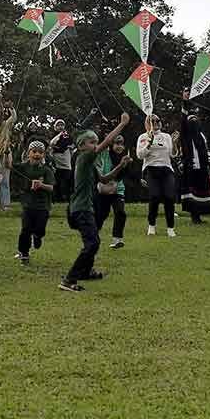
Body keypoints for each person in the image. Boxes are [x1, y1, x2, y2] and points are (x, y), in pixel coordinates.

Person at [59, 114, 130, 292]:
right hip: (80, 208)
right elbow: (106, 143)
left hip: (86, 208)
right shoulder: (83, 158)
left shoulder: (91, 164)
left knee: (93, 241)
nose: (95, 145)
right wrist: (122, 124)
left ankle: (85, 272)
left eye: (95, 141)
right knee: (92, 243)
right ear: (81, 146)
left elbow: (104, 179)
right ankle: (69, 279)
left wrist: (120, 166)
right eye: (91, 142)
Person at [136, 114, 178, 238]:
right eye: (153, 121)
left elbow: (173, 154)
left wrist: (174, 143)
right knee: (155, 196)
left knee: (169, 197)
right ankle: (152, 225)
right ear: (147, 123)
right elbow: (140, 155)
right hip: (151, 168)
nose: (156, 123)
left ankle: (170, 228)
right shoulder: (143, 137)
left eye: (158, 121)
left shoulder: (166, 136)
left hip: (166, 168)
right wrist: (149, 143)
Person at [14, 141, 55, 264]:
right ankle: (24, 253)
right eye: (34, 151)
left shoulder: (46, 170)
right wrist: (5, 152)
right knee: (25, 229)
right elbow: (8, 165)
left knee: (40, 229)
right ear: (28, 153)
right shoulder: (24, 166)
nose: (37, 154)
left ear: (44, 155)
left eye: (40, 152)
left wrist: (41, 185)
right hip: (28, 205)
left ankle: (37, 236)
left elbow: (51, 187)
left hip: (43, 206)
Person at [179, 93, 210, 224]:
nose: (193, 121)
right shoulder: (185, 135)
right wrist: (185, 102)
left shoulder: (202, 136)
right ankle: (194, 216)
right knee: (191, 192)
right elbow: (183, 120)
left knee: (201, 191)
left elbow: (207, 151)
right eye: (191, 120)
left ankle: (199, 216)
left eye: (195, 119)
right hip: (190, 166)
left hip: (202, 168)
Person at [95, 136, 132, 249]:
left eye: (121, 144)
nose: (119, 147)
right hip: (103, 190)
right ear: (112, 145)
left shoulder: (125, 158)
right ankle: (93, 235)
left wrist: (125, 166)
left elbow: (120, 177)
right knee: (101, 215)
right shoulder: (104, 154)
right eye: (117, 144)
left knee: (120, 212)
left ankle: (117, 239)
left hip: (118, 190)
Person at [49, 120, 74, 203]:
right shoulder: (52, 135)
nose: (60, 127)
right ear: (55, 127)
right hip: (56, 159)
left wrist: (58, 147)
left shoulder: (66, 135)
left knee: (66, 179)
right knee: (56, 180)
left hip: (66, 160)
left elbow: (68, 144)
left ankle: (66, 197)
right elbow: (51, 144)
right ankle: (56, 198)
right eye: (58, 125)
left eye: (62, 125)